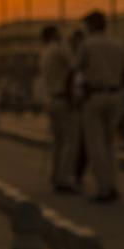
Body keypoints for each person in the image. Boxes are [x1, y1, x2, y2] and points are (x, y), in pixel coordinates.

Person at [77, 10, 124, 203]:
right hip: (115, 96)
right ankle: (113, 185)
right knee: (110, 145)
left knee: (96, 146)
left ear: (91, 26)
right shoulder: (119, 45)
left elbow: (78, 71)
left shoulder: (87, 45)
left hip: (94, 97)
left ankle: (103, 188)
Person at [39, 25, 78, 194]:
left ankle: (56, 176)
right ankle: (64, 179)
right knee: (70, 141)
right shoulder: (59, 49)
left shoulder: (45, 53)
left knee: (58, 142)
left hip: (52, 100)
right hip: (63, 99)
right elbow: (74, 67)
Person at [68, 29, 88, 186]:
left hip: (86, 103)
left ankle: (78, 172)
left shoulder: (87, 56)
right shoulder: (71, 59)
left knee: (84, 142)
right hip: (75, 106)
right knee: (76, 141)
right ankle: (75, 173)